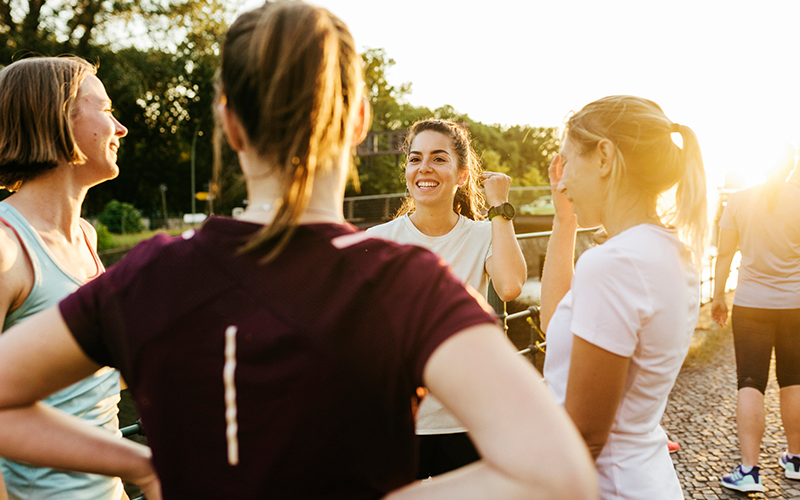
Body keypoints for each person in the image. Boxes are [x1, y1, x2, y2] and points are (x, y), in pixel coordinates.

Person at [0, 3, 598, 499]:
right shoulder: (403, 280)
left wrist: (139, 464)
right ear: (359, 119)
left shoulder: (151, 274)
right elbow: (558, 471)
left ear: (230, 125)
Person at [540, 95, 708, 499]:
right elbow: (557, 323)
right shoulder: (668, 250)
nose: (560, 182)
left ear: (603, 157)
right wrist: (565, 221)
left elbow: (585, 435)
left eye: (567, 162)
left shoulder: (614, 264)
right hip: (645, 478)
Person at [367, 118, 526, 479]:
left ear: (462, 175)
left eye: (439, 159)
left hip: (469, 417)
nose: (424, 168)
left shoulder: (485, 234)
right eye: (414, 158)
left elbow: (511, 286)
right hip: (400, 421)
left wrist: (500, 206)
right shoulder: (379, 240)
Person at [0, 57, 128, 500]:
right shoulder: (5, 247)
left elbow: (94, 375)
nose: (120, 127)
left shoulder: (87, 239)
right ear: (61, 117)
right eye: (106, 108)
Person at [712, 151, 800, 492]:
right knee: (794, 379)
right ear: (792, 164)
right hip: (795, 306)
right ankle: (795, 460)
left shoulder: (738, 200)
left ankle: (749, 471)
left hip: (751, 305)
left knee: (750, 381)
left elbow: (723, 254)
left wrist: (718, 296)